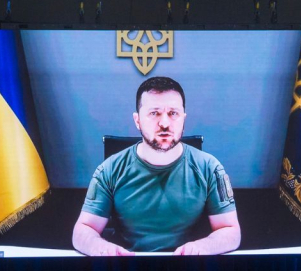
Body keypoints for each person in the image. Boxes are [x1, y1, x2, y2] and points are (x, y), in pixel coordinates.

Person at [73, 76, 241, 255]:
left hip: (190, 269)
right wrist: (102, 248)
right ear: (137, 120)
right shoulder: (109, 170)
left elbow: (231, 231)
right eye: (154, 113)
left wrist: (203, 247)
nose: (165, 124)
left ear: (184, 118)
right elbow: (83, 230)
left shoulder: (209, 168)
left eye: (173, 113)